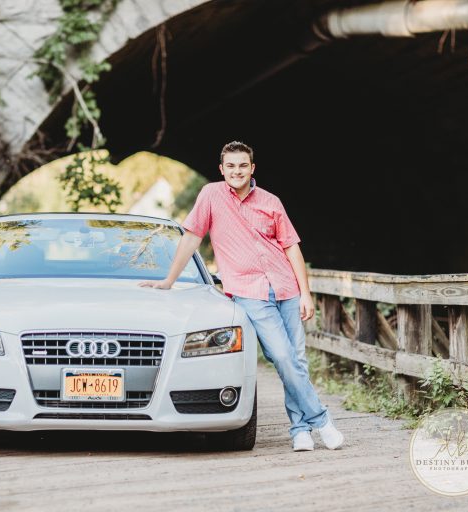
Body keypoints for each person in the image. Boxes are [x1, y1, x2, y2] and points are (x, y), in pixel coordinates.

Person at [139, 140, 344, 452]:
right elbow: (192, 236)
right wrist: (169, 280)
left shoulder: (271, 201)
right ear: (222, 170)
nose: (237, 171)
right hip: (250, 293)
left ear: (252, 168)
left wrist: (306, 293)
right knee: (283, 357)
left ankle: (300, 430)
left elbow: (291, 247)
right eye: (231, 166)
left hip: (286, 288)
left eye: (243, 165)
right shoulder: (211, 196)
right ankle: (321, 419)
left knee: (297, 361)